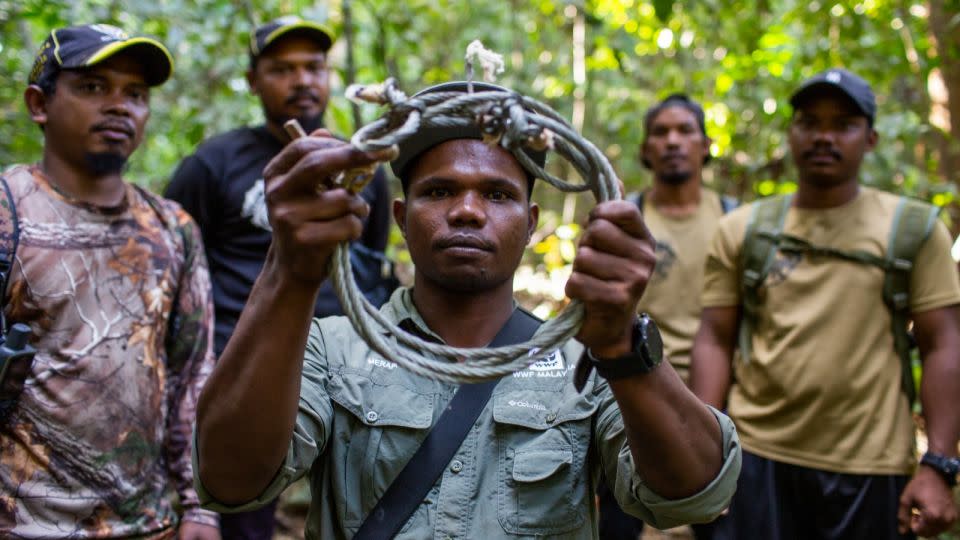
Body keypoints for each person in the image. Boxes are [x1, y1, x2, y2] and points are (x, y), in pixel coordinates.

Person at [191, 80, 741, 539]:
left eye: (498, 195)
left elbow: (694, 497)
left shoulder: (587, 365)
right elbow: (229, 481)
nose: (468, 212)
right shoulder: (332, 348)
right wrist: (287, 272)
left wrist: (624, 346)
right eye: (439, 192)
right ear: (402, 220)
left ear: (530, 225)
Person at [691, 68, 960, 540]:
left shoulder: (914, 230)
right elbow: (715, 337)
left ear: (870, 138)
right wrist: (702, 455)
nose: (823, 136)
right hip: (755, 460)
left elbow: (943, 345)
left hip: (871, 466)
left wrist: (938, 465)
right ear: (791, 133)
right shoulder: (745, 229)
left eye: (843, 124)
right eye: (809, 122)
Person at [164, 18, 394, 538]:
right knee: (243, 505)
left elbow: (370, 259)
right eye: (282, 69)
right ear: (252, 80)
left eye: (313, 67)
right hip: (245, 358)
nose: (301, 80)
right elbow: (176, 269)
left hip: (346, 364)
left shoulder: (358, 165)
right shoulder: (213, 163)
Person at [0, 24, 219, 538]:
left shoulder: (172, 229)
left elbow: (193, 377)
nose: (120, 105)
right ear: (39, 104)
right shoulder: (9, 212)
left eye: (135, 94)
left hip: (148, 524)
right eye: (93, 87)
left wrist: (200, 507)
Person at [600, 94, 734, 540]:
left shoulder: (733, 222)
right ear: (645, 150)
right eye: (660, 132)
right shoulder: (623, 221)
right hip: (630, 405)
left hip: (718, 412)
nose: (673, 141)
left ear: (706, 145)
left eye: (684, 131)